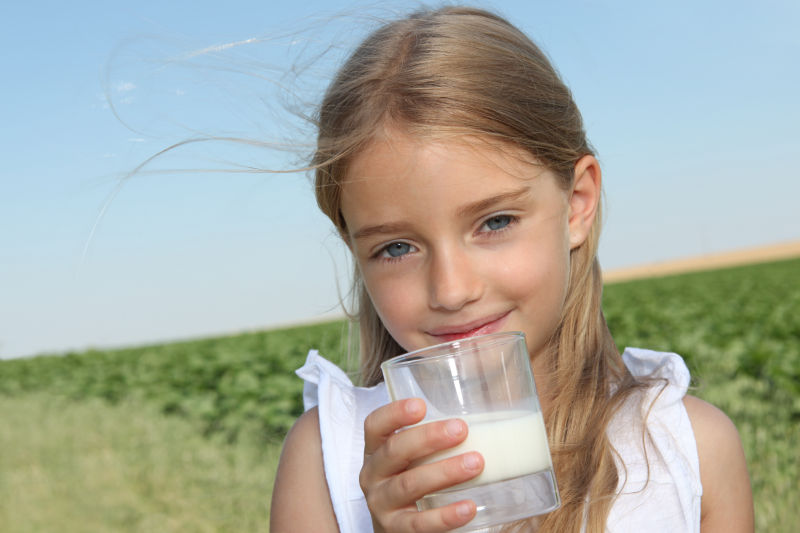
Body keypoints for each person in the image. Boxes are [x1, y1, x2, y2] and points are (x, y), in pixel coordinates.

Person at [270, 6, 753, 532]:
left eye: (495, 221)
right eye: (396, 248)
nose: (452, 290)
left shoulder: (689, 451)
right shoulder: (328, 462)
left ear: (576, 204)